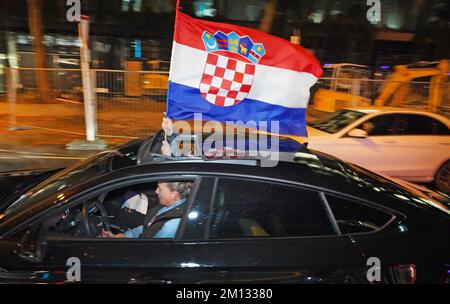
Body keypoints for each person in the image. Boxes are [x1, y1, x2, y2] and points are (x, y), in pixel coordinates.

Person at [101, 181, 193, 239]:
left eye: (160, 189)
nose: (156, 191)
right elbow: (147, 228)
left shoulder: (172, 224)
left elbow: (149, 251)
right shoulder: (166, 206)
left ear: (173, 194)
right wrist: (117, 237)